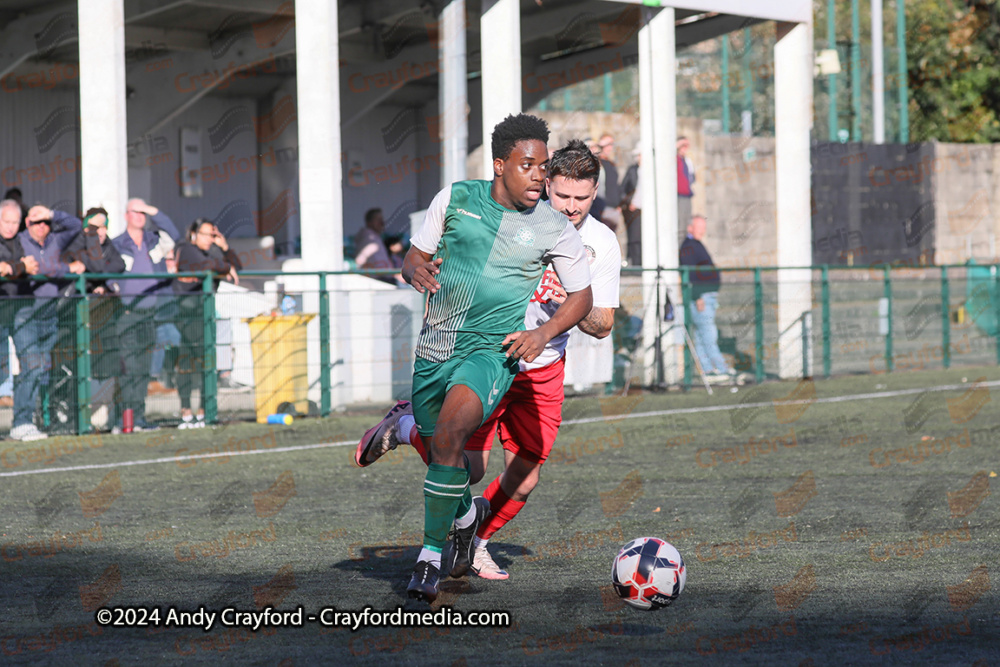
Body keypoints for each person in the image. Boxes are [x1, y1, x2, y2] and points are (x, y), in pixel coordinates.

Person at [357, 139, 621, 581]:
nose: (572, 207)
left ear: (594, 194)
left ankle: (476, 544)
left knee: (526, 475)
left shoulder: (601, 243)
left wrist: (569, 300)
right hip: (490, 354)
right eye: (563, 195)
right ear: (544, 183)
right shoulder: (513, 218)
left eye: (583, 198)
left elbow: (603, 323)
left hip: (543, 368)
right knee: (468, 466)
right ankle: (405, 427)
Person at [10, 204, 83, 441]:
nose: (42, 226)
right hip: (25, 312)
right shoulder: (19, 241)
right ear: (27, 223)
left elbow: (77, 225)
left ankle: (33, 420)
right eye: (37, 221)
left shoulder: (54, 240)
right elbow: (35, 268)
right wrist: (66, 269)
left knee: (41, 368)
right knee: (31, 366)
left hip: (49, 313)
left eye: (46, 222)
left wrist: (52, 213)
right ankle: (21, 422)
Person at [112, 199, 181, 431]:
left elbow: (174, 233)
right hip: (127, 314)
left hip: (150, 314)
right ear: (126, 215)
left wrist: (154, 210)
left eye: (143, 212)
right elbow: (109, 270)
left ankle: (139, 419)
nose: (140, 216)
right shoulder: (118, 244)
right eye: (136, 212)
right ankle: (124, 420)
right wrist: (114, 287)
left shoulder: (154, 240)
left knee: (144, 370)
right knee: (129, 369)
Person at [173, 219, 241, 428]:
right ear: (194, 234)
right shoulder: (186, 249)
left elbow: (237, 266)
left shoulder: (210, 252)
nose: (210, 239)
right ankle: (186, 412)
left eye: (212, 235)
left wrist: (225, 248)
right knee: (188, 364)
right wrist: (224, 268)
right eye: (206, 234)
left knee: (206, 363)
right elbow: (209, 266)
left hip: (205, 314)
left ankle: (203, 412)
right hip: (187, 315)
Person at [679, 215, 735, 381]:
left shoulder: (696, 244)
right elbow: (689, 273)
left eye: (703, 227)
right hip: (701, 297)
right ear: (690, 228)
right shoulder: (688, 247)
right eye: (699, 227)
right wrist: (697, 296)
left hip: (706, 296)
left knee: (702, 335)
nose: (702, 230)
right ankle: (719, 368)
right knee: (709, 334)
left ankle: (708, 370)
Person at [0, 200, 39, 415]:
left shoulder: (23, 241)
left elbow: (35, 264)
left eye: (15, 222)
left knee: (32, 362)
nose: (10, 226)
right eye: (6, 221)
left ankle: (23, 421)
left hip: (22, 308)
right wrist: (21, 266)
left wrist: (13, 268)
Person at [354, 208, 402, 285]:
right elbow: (361, 260)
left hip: (383, 278)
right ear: (369, 222)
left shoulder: (375, 237)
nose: (382, 223)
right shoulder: (369, 238)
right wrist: (395, 275)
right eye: (378, 220)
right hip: (377, 281)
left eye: (381, 219)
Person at [620, 143, 642, 267]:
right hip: (635, 210)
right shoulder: (632, 170)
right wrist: (630, 203)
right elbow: (624, 189)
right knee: (634, 238)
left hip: (647, 211)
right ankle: (636, 264)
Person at [594, 133, 621, 233]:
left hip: (614, 209)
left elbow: (615, 186)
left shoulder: (611, 164)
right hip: (603, 208)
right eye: (608, 144)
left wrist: (619, 206)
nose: (610, 148)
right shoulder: (598, 164)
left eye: (612, 144)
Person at [677, 137, 695, 234]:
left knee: (687, 225)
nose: (686, 148)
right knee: (680, 226)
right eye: (683, 145)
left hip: (686, 196)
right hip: (679, 196)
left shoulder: (687, 161)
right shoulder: (675, 159)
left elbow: (692, 177)